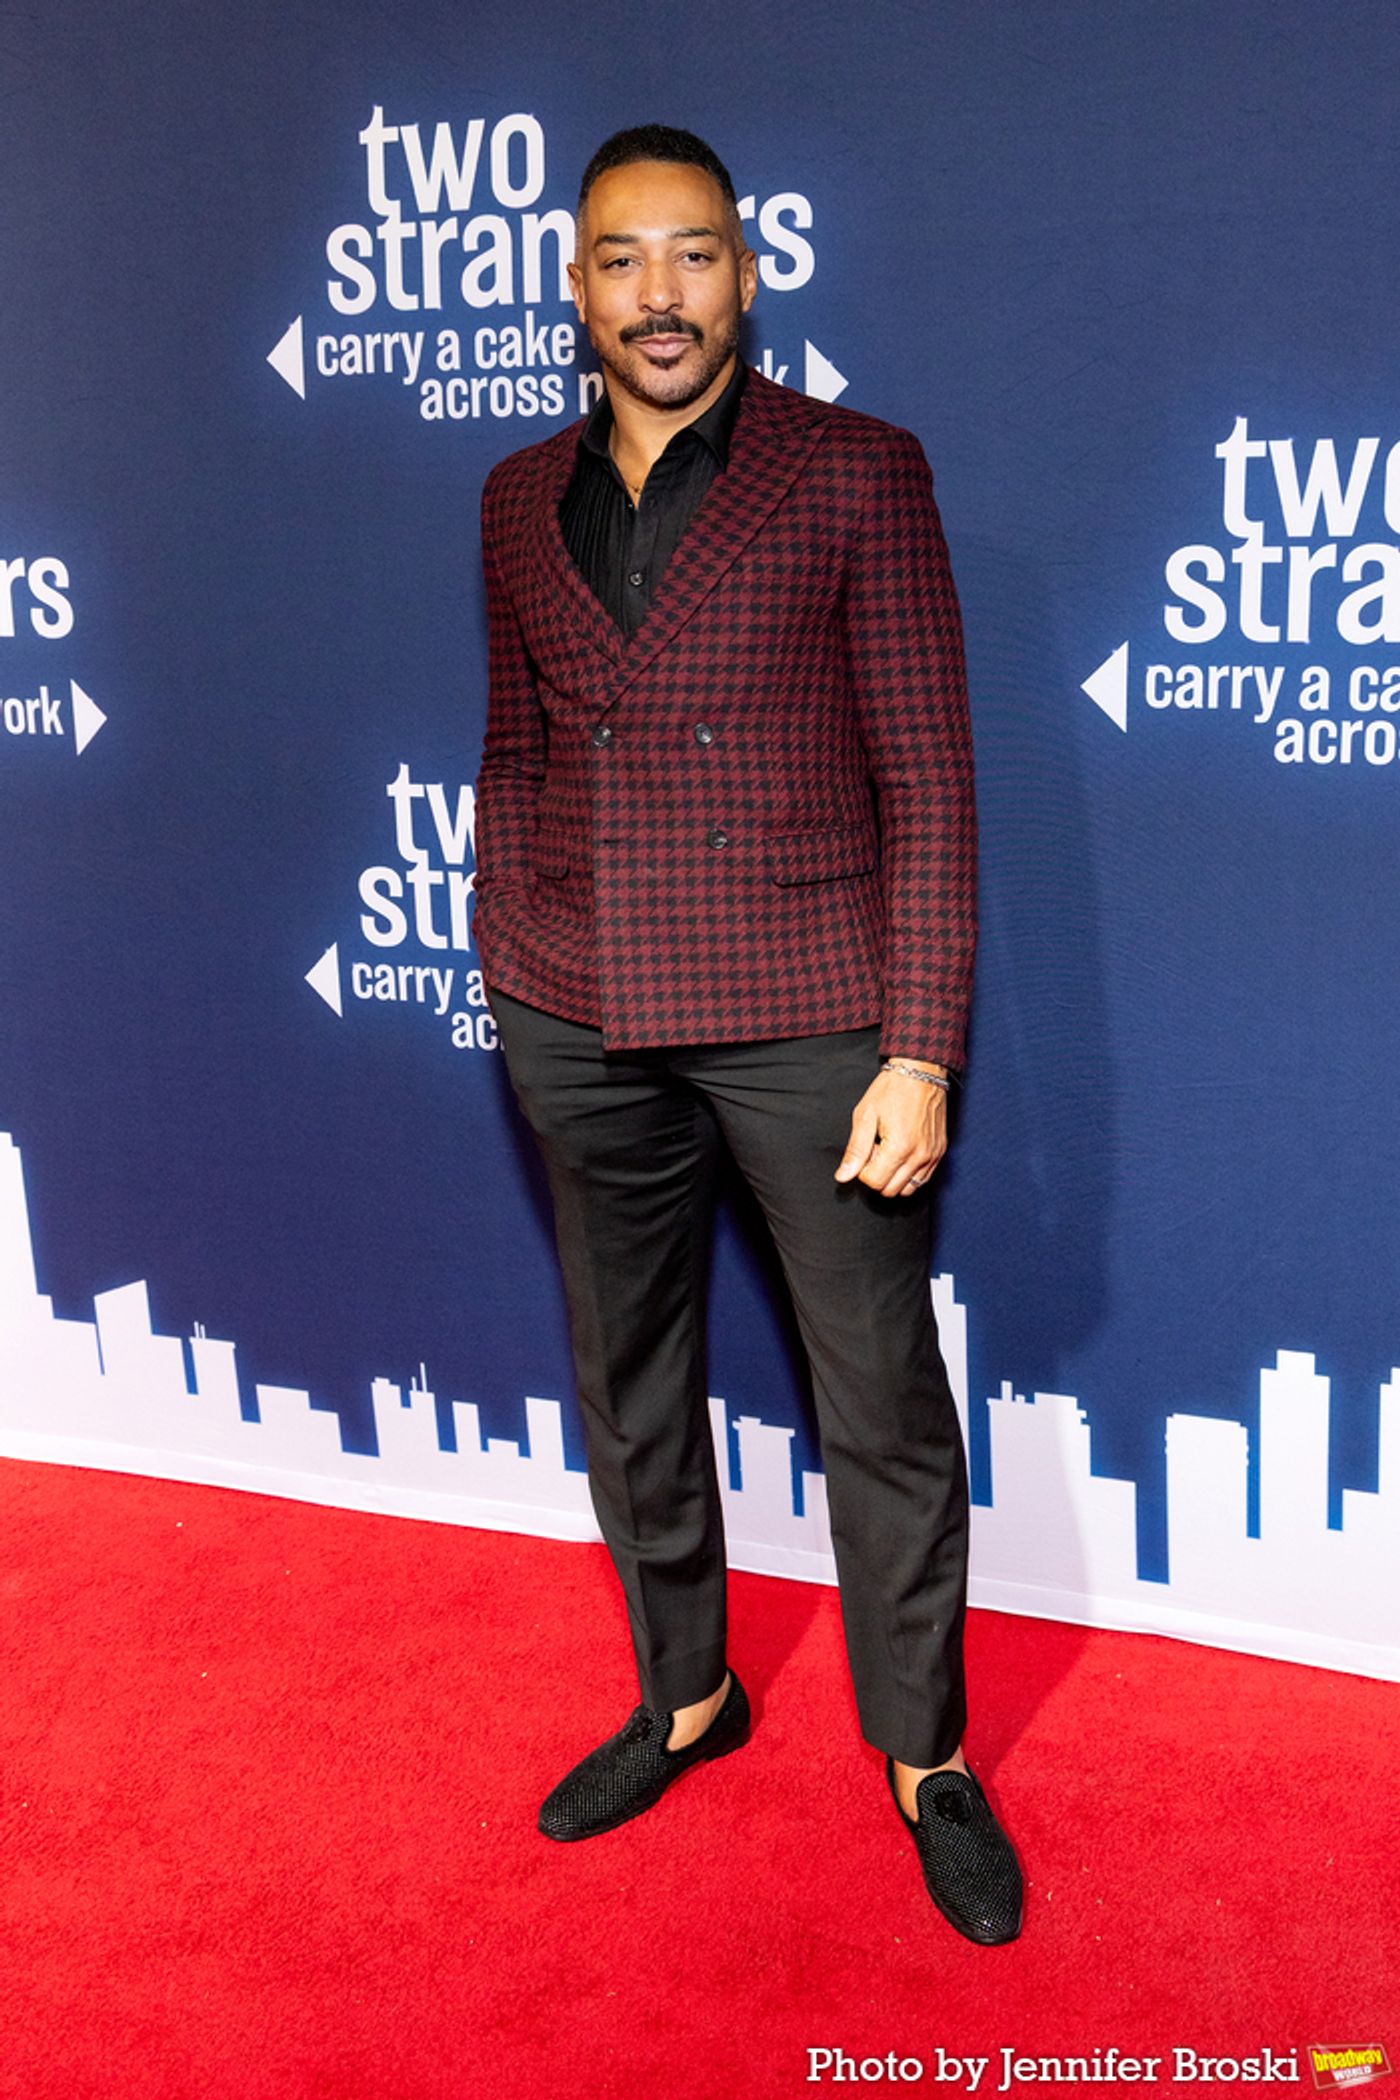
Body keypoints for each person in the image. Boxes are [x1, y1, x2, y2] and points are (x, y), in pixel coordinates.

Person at [471, 123, 1022, 1945]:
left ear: (746, 273)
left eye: (693, 255)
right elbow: (513, 749)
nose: (661, 294)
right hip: (579, 1009)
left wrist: (918, 1048)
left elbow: (929, 781)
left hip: (807, 1020)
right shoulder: (513, 496)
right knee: (628, 1375)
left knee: (879, 1400)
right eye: (623, 259)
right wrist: (506, 958)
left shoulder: (857, 470)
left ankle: (926, 1757)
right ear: (576, 285)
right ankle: (686, 1694)